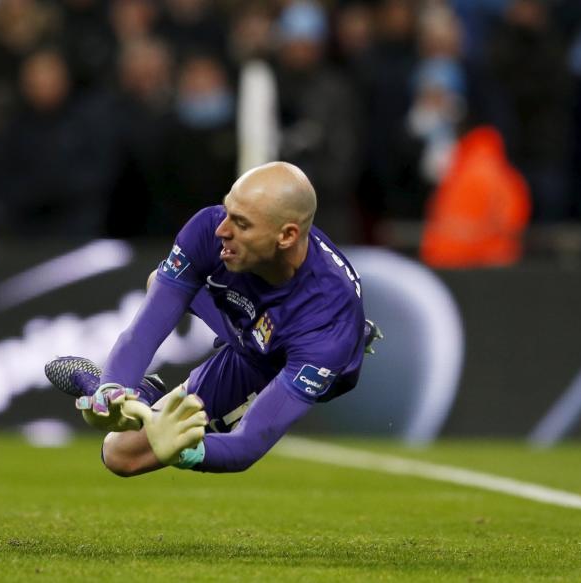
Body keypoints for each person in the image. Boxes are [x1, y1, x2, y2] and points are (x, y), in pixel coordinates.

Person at [45, 161, 381, 476]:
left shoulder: (327, 324)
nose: (222, 229)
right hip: (246, 332)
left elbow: (248, 444)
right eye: (227, 211)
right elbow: (142, 333)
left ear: (287, 236)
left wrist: (182, 451)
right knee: (116, 453)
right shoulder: (208, 229)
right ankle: (143, 393)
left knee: (125, 457)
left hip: (277, 360)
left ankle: (353, 340)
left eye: (241, 223)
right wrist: (114, 389)